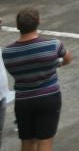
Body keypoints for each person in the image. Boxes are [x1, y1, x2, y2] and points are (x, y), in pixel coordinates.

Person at [3, 8, 71, 151]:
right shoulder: (53, 44)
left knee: (27, 141)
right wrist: (58, 64)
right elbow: (67, 58)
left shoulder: (8, 52)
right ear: (38, 22)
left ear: (17, 26)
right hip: (49, 97)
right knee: (45, 141)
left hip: (23, 100)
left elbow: (13, 71)